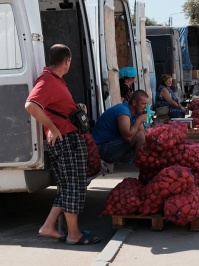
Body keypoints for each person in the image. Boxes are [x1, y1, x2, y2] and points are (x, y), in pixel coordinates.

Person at [25, 44, 100, 245]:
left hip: (68, 138)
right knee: (74, 187)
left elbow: (53, 108)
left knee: (67, 187)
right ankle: (74, 235)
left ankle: (48, 227)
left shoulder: (56, 80)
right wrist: (53, 128)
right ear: (67, 61)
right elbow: (31, 105)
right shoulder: (48, 80)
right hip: (66, 140)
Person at [91, 90, 149, 165]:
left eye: (146, 104)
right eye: (143, 104)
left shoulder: (136, 112)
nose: (145, 107)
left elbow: (143, 133)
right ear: (134, 103)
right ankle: (141, 165)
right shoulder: (123, 111)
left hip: (112, 145)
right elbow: (128, 138)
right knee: (139, 136)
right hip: (102, 149)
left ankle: (140, 163)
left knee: (142, 135)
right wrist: (138, 121)